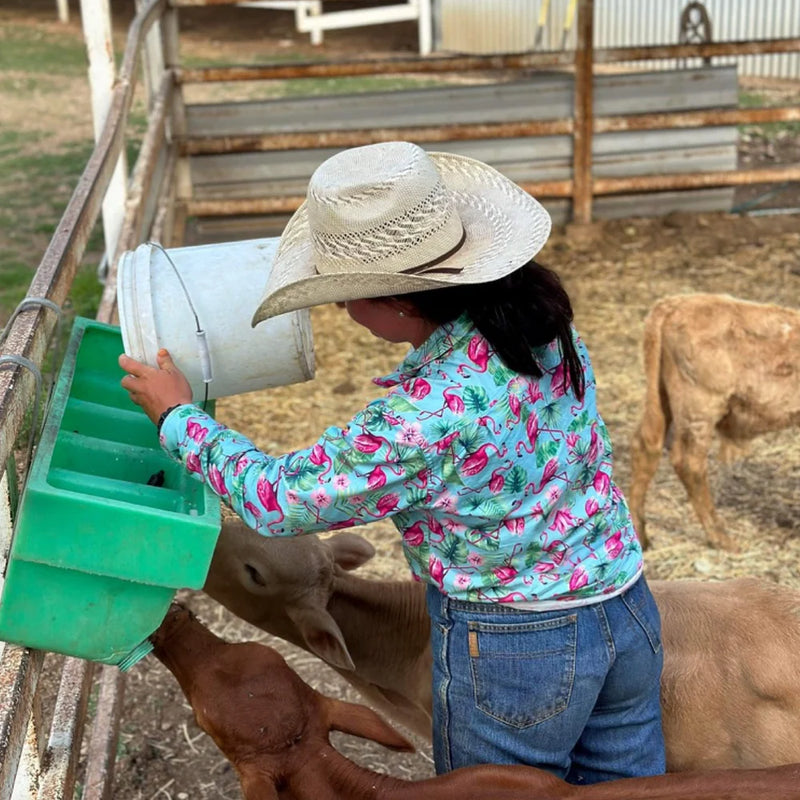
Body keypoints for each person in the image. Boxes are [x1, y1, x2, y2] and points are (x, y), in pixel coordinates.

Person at [119, 140, 665, 784]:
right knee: (629, 791)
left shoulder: (423, 414)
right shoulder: (542, 327)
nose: (343, 313)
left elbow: (280, 499)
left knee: (495, 797)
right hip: (624, 607)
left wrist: (179, 418)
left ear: (401, 302)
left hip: (520, 646)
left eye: (346, 297)